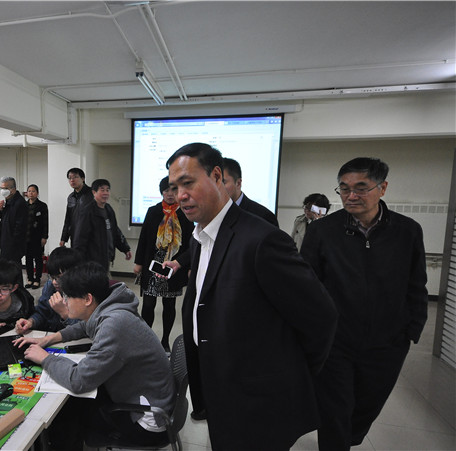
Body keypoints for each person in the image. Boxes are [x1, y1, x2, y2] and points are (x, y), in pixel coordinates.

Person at [166, 142, 337, 449]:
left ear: (217, 176)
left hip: (260, 402)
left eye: (188, 183)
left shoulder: (261, 239)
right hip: (220, 391)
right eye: (175, 187)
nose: (180, 195)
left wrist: (285, 376)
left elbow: (320, 316)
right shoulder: (200, 238)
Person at [300, 157, 428, 450]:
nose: (351, 196)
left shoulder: (407, 230)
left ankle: (348, 436)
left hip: (388, 341)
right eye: (344, 189)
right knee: (334, 409)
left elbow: (416, 283)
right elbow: (307, 285)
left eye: (361, 188)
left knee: (368, 405)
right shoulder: (322, 231)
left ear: (382, 188)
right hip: (336, 341)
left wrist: (412, 329)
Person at [14, 262, 175, 450]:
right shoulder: (112, 308)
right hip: (145, 398)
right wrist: (48, 339)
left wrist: (44, 358)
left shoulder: (114, 324)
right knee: (71, 405)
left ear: (87, 299)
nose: (64, 302)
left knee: (65, 418)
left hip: (144, 422)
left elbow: (78, 381)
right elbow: (85, 326)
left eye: (68, 296)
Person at [134, 176, 193, 352]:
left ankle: (165, 340)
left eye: (174, 190)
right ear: (161, 192)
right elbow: (144, 238)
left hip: (173, 266)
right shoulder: (153, 211)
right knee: (148, 304)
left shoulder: (185, 213)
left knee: (169, 305)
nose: (170, 194)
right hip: (152, 265)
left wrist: (189, 265)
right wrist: (138, 262)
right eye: (166, 190)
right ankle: (147, 339)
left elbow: (191, 242)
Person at [15, 246, 82, 335]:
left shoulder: (84, 293)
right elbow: (42, 312)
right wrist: (31, 322)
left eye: (59, 277)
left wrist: (64, 313)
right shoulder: (50, 287)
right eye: (52, 277)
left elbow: (87, 329)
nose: (54, 282)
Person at [73, 179, 132, 271]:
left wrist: (125, 248)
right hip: (92, 261)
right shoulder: (88, 212)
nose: (105, 193)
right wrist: (78, 262)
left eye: (107, 190)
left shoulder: (109, 209)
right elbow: (80, 238)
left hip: (106, 258)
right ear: (94, 192)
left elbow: (115, 231)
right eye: (102, 190)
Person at [222, 157, 279, 227]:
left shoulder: (263, 216)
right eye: (215, 182)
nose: (218, 187)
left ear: (238, 183)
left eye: (223, 182)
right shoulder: (212, 214)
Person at [0, 177, 27, 265]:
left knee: (13, 266)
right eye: (1, 188)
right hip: (6, 239)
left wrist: (13, 242)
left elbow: (20, 226)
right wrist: (1, 209)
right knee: (5, 266)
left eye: (5, 188)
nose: (2, 191)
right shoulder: (8, 200)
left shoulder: (20, 202)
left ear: (13, 189)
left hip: (13, 242)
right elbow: (5, 218)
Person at [59, 168, 93, 247]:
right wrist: (63, 238)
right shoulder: (71, 197)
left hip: (90, 237)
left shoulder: (92, 194)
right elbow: (68, 219)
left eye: (75, 177)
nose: (72, 180)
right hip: (75, 236)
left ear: (83, 179)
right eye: (70, 178)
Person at [24, 184, 48, 289]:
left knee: (38, 258)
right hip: (26, 237)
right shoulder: (24, 205)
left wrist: (44, 237)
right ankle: (29, 279)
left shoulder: (42, 206)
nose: (31, 193)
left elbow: (45, 222)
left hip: (37, 237)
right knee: (28, 259)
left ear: (37, 193)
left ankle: (37, 279)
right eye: (29, 191)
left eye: (33, 191)